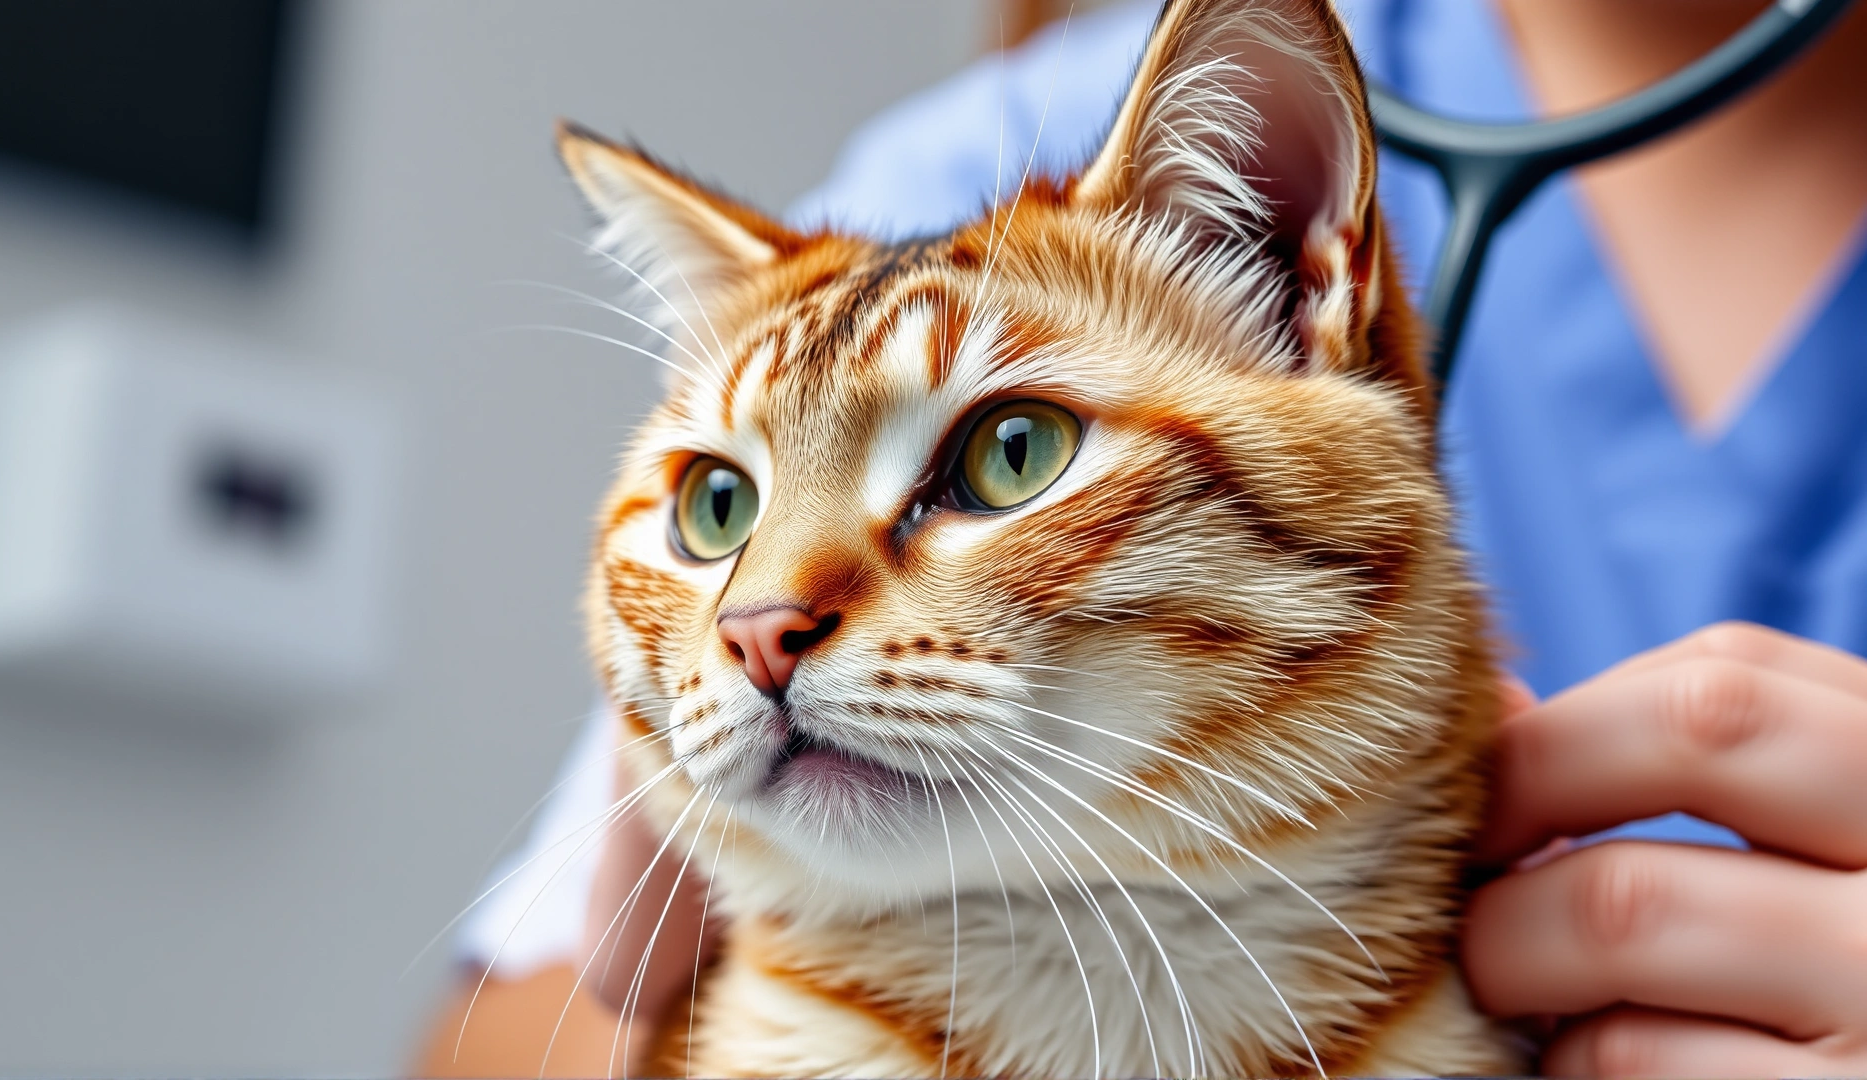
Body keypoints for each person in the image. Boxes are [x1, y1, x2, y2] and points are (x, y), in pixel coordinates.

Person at [416, 0, 1867, 1075]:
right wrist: (641, 1019)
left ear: (1294, 273)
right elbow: (505, 1028)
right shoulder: (972, 159)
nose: (773, 617)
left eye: (1005, 451)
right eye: (719, 507)